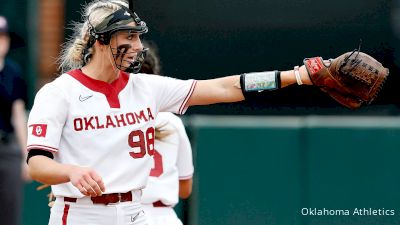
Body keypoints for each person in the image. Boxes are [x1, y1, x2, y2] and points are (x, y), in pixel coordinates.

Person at [26, 1, 317, 224]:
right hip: (80, 214)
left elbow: (225, 88)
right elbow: (37, 165)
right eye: (129, 36)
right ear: (101, 40)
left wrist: (296, 76)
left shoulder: (146, 88)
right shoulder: (58, 93)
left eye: (138, 37)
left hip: (135, 212)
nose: (139, 46)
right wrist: (70, 171)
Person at [139, 41, 194, 225]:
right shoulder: (171, 121)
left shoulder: (115, 120)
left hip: (126, 214)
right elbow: (185, 188)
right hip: (164, 217)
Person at [0, 15, 29, 225]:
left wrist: (26, 156)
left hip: (7, 148)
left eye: (2, 37)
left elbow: (18, 115)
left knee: (9, 211)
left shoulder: (13, 72)